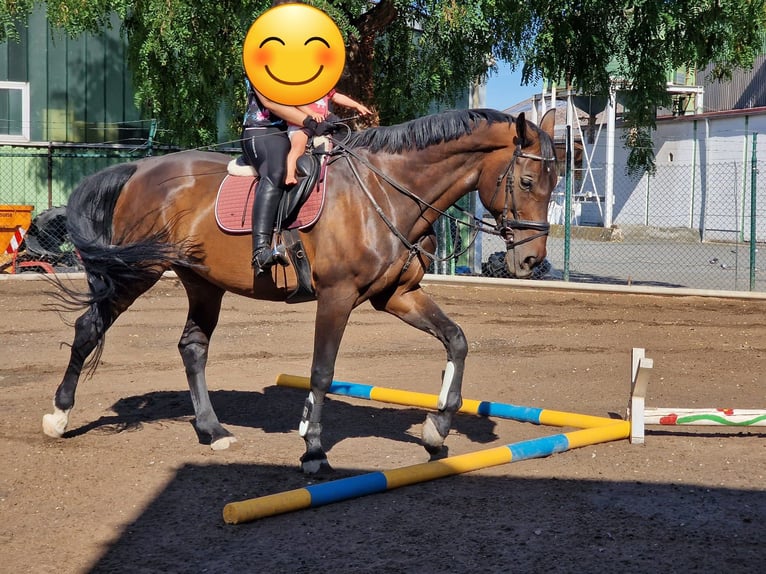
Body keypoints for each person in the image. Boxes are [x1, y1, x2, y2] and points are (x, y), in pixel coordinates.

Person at [240, 77, 333, 276]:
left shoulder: (301, 71)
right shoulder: (261, 68)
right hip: (262, 130)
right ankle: (260, 252)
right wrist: (309, 121)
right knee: (276, 172)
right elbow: (271, 103)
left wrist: (328, 119)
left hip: (294, 130)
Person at [285, 90, 371, 185]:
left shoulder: (324, 86)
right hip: (301, 124)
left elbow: (336, 96)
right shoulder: (303, 84)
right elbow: (296, 101)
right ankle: (290, 175)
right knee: (298, 145)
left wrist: (356, 105)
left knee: (344, 138)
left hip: (321, 123)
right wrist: (312, 113)